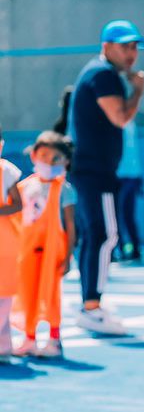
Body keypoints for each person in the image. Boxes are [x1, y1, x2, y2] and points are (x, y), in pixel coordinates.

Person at [68, 19, 144, 335]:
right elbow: (120, 117)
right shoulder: (104, 76)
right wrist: (138, 91)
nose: (131, 53)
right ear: (107, 46)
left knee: (96, 237)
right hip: (95, 172)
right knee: (104, 236)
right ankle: (91, 306)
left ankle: (91, 302)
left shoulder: (101, 73)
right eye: (124, 46)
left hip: (92, 171)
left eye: (134, 47)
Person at [13, 132, 78, 359]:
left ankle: (54, 339)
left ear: (66, 161)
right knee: (28, 293)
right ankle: (29, 338)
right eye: (44, 156)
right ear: (33, 156)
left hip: (53, 251)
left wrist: (68, 255)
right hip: (27, 250)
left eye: (56, 158)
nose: (49, 163)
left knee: (50, 295)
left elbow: (70, 226)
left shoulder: (64, 189)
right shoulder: (23, 187)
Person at [0, 122, 24, 364]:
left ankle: (4, 347)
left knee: (4, 295)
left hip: (5, 243)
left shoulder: (7, 170)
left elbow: (18, 203)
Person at [115, 77, 144, 262]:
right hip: (131, 174)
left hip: (122, 174)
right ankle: (132, 248)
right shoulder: (129, 121)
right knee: (126, 213)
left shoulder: (120, 121)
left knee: (118, 213)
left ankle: (120, 249)